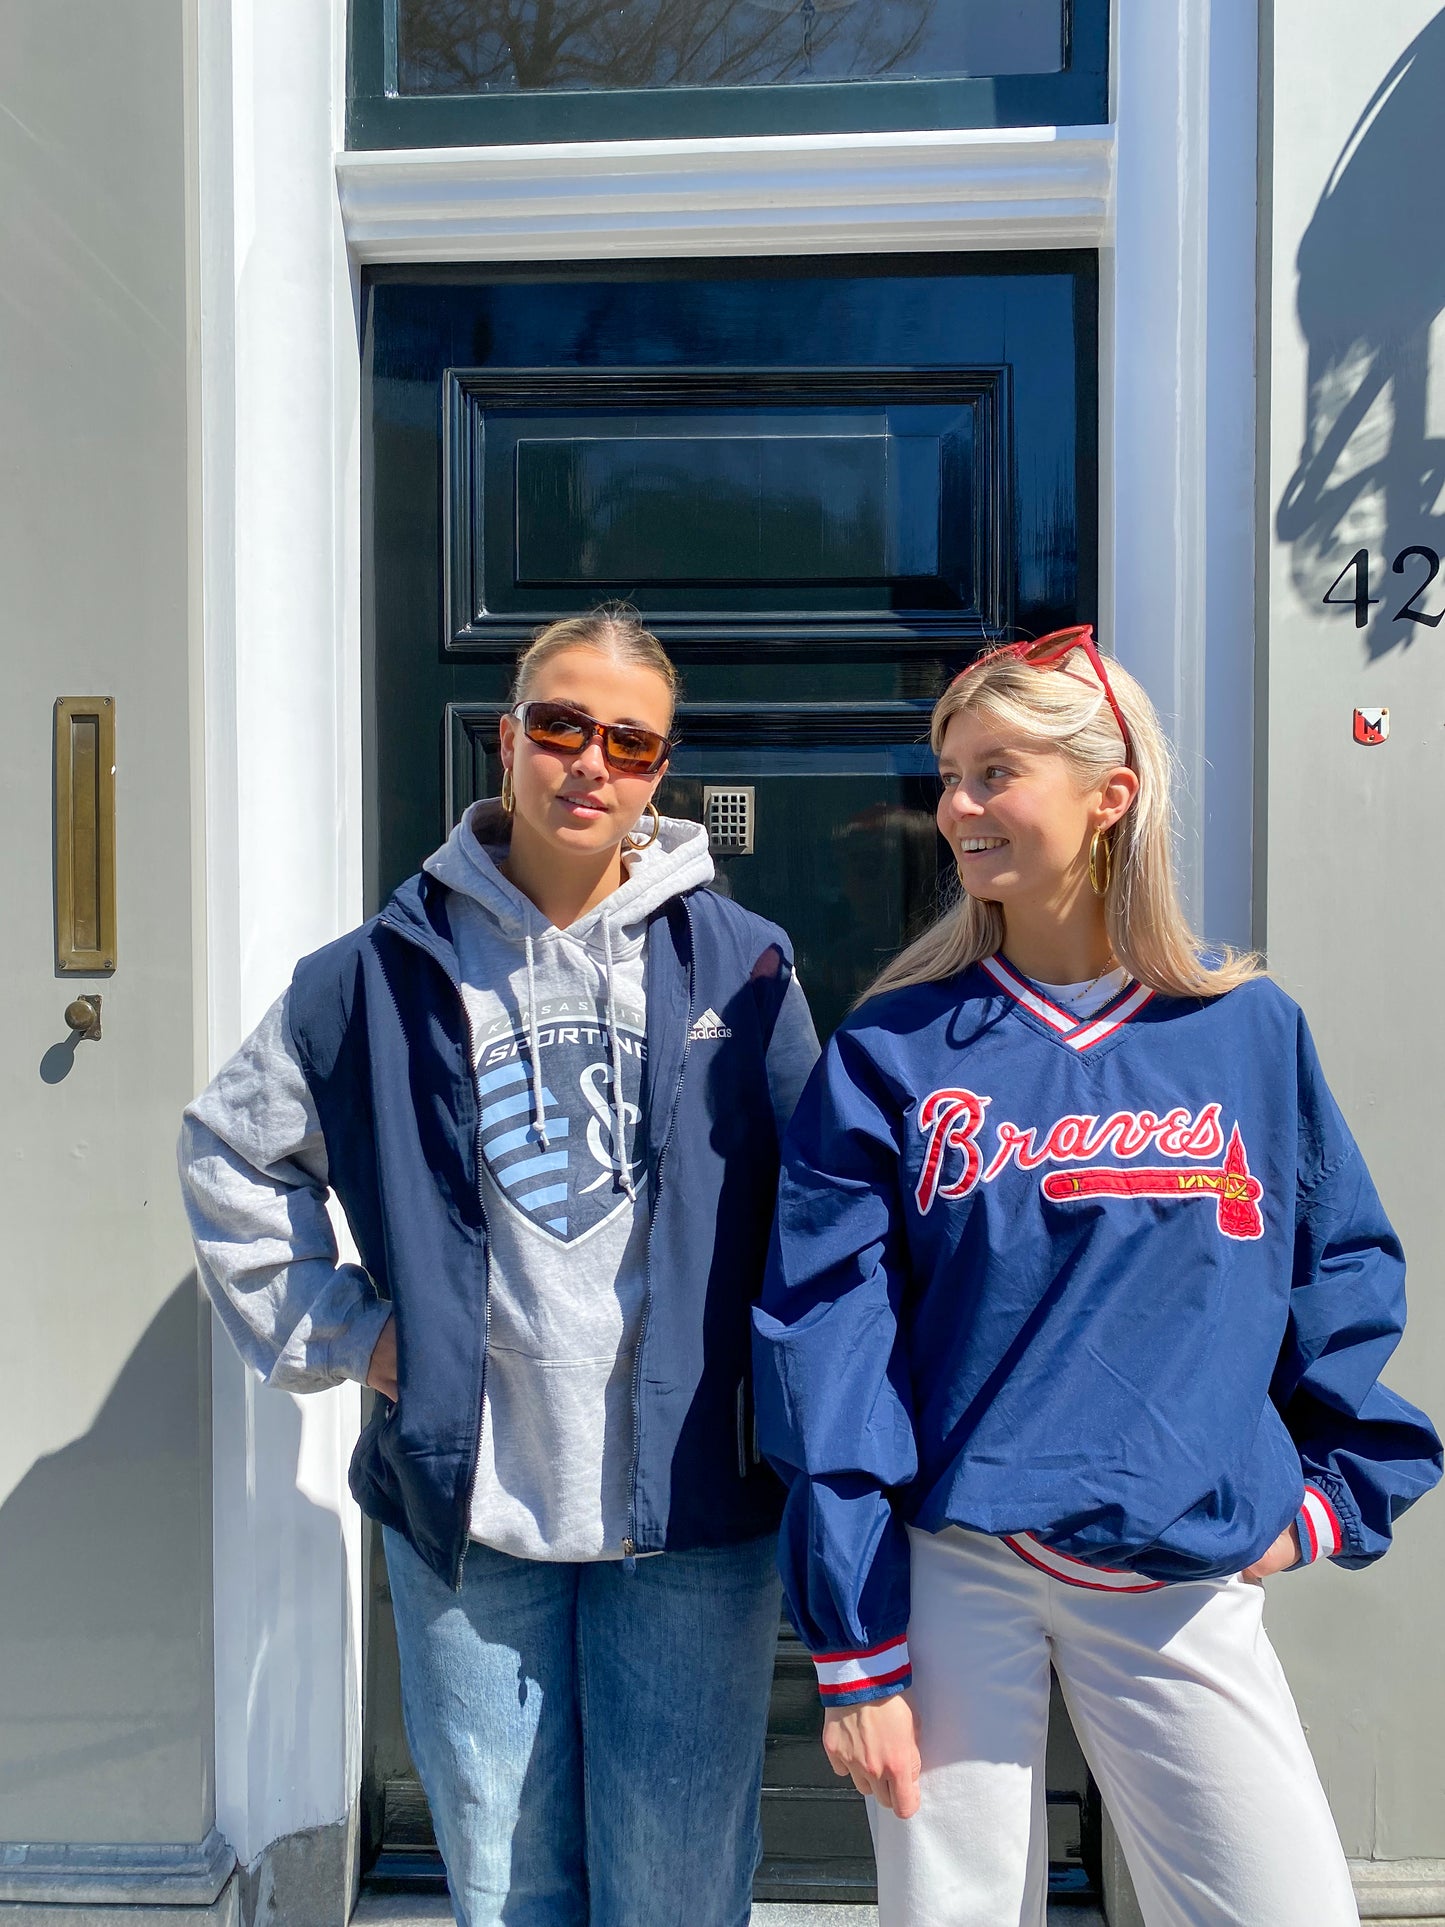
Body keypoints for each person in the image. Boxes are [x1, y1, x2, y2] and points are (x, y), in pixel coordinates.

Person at [752, 626, 1441, 1927]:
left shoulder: (1243, 1029)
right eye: (948, 774)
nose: (954, 806)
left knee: (1281, 1909)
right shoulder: (894, 1049)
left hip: (1180, 1569)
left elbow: (1335, 1264)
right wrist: (852, 1643)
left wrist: (1320, 1498)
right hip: (960, 1558)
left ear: (1106, 793)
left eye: (993, 771)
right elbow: (827, 1345)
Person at [180, 609, 819, 1927]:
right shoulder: (375, 974)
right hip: (469, 1513)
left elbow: (825, 1208)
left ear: (659, 771)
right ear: (507, 735)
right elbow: (232, 1155)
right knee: (504, 1877)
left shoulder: (745, 966)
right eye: (561, 726)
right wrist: (349, 1332)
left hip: (690, 1509)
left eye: (629, 743)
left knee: (677, 1882)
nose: (591, 763)